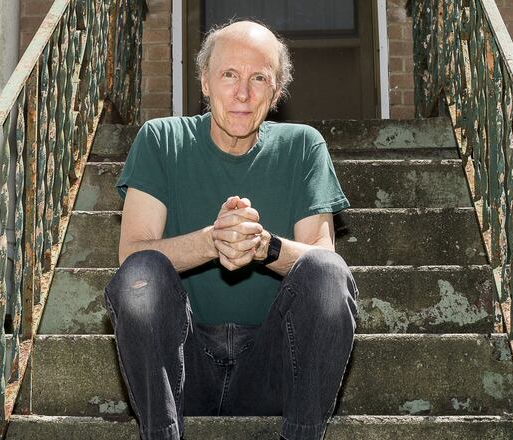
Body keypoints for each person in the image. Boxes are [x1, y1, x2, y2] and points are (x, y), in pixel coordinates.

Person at [103, 20, 358, 440]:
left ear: (276, 92)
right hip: (184, 364)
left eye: (259, 78)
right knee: (140, 276)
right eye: (229, 75)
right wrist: (212, 241)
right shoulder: (161, 140)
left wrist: (264, 246)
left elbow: (323, 257)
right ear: (204, 81)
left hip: (273, 364)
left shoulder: (303, 146)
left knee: (329, 275)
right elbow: (132, 252)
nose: (243, 93)